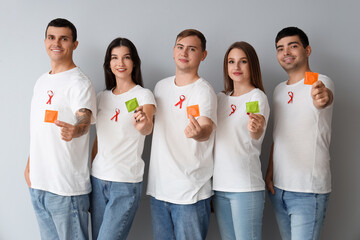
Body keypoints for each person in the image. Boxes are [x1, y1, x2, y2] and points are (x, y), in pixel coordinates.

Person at [24, 18, 96, 239]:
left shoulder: (79, 83)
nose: (56, 43)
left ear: (74, 44)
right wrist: (29, 167)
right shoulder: (42, 81)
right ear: (45, 41)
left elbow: (84, 118)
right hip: (39, 184)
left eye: (64, 38)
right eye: (51, 37)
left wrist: (76, 129)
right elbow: (39, 130)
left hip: (66, 189)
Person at [146, 29, 217, 240]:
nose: (184, 52)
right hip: (159, 191)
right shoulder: (160, 87)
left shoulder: (204, 91)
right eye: (180, 47)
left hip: (191, 192)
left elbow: (206, 128)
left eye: (192, 49)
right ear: (174, 51)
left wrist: (199, 133)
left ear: (203, 55)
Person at [265, 27, 334, 240]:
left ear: (307, 50)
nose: (286, 52)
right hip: (279, 188)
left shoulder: (320, 81)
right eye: (280, 48)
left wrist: (323, 97)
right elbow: (279, 135)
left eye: (293, 46)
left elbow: (323, 98)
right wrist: (270, 171)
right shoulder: (278, 90)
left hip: (308, 190)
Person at [90, 37, 156, 240]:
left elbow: (147, 127)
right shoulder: (102, 97)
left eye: (126, 57)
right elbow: (98, 139)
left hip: (125, 182)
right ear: (108, 64)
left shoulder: (144, 96)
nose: (120, 63)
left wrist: (143, 124)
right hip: (98, 179)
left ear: (134, 62)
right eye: (115, 58)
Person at [213, 41, 270, 240]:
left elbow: (256, 133)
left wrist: (257, 129)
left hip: (245, 188)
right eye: (231, 62)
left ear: (252, 65)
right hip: (220, 187)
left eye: (243, 61)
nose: (236, 67)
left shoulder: (256, 97)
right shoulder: (220, 99)